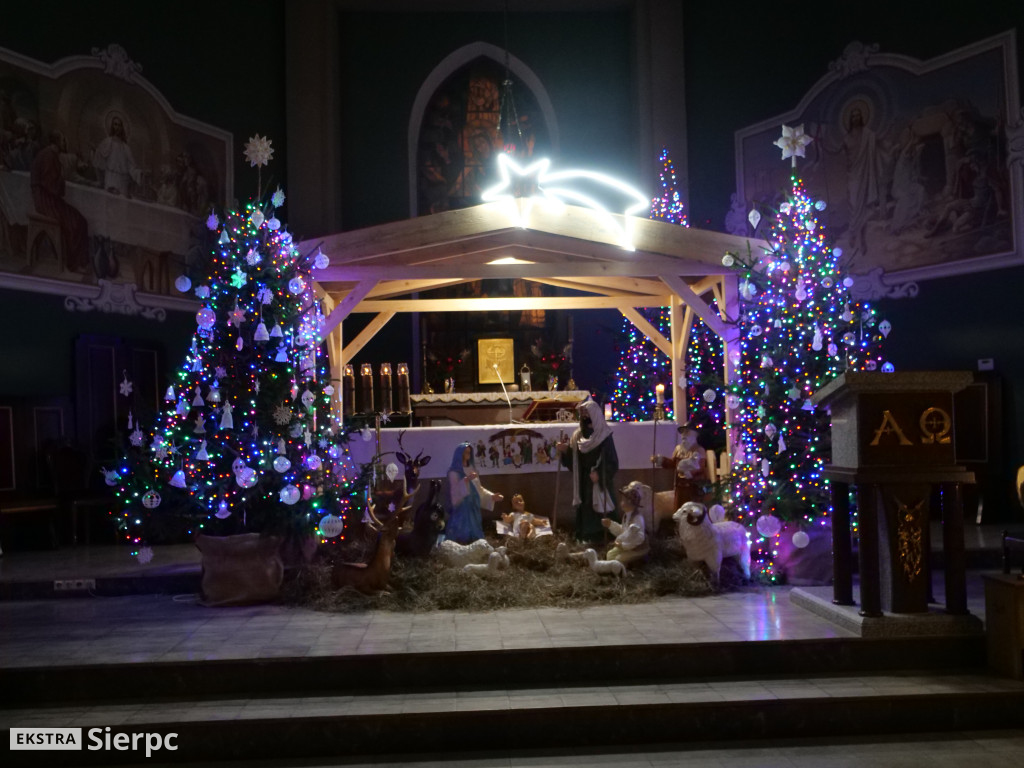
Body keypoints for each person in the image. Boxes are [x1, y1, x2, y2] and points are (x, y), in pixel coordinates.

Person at [556, 399, 619, 543]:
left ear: (594, 414)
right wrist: (566, 451)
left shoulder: (604, 436)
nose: (584, 416)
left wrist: (600, 474)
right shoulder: (578, 436)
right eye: (582, 413)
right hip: (584, 479)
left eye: (587, 413)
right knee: (586, 506)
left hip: (599, 480)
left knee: (602, 506)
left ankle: (604, 534)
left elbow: (612, 462)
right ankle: (587, 534)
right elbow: (575, 460)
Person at [30, 130, 90, 272]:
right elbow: (51, 185)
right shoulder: (49, 156)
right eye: (63, 140)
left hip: (47, 199)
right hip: (46, 202)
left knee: (78, 219)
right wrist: (62, 181)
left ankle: (78, 261)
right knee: (77, 222)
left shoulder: (49, 154)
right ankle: (74, 264)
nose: (65, 143)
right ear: (56, 142)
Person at [445, 442, 503, 544]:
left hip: (473, 507)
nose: (468, 454)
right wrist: (466, 480)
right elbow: (454, 491)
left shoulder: (472, 469)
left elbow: (479, 489)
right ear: (459, 454)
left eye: (469, 452)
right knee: (462, 536)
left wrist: (491, 496)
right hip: (462, 509)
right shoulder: (453, 472)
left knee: (475, 535)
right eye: (465, 452)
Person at [652, 422, 707, 511]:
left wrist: (690, 473)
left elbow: (700, 468)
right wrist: (661, 460)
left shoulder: (699, 450)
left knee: (692, 509)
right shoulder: (678, 449)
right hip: (680, 486)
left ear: (695, 435)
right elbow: (673, 464)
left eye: (687, 432)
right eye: (682, 432)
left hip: (693, 487)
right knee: (679, 508)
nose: (684, 435)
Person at [603, 481, 651, 567]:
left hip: (637, 548)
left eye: (623, 500)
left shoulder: (637, 518)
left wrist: (623, 546)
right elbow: (624, 531)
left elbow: (639, 538)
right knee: (610, 554)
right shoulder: (626, 516)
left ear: (630, 502)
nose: (621, 502)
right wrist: (611, 524)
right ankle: (613, 568)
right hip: (627, 545)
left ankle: (634, 564)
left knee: (618, 559)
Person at [92, 115, 142, 197]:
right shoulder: (107, 142)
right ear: (112, 126)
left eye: (119, 125)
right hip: (110, 178)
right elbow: (98, 159)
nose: (117, 127)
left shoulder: (126, 148)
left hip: (123, 182)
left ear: (122, 127)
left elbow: (131, 167)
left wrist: (139, 173)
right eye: (115, 124)